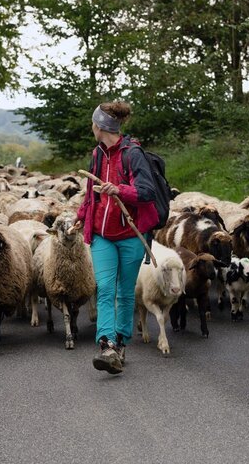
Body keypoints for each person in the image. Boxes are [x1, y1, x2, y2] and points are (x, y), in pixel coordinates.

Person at [73, 101, 158, 374]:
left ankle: (121, 341)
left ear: (101, 127)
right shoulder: (97, 155)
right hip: (102, 235)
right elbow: (90, 193)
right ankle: (106, 345)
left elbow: (146, 191)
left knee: (124, 292)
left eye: (93, 124)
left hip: (130, 234)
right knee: (105, 289)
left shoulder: (133, 154)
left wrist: (119, 190)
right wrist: (80, 216)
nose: (91, 128)